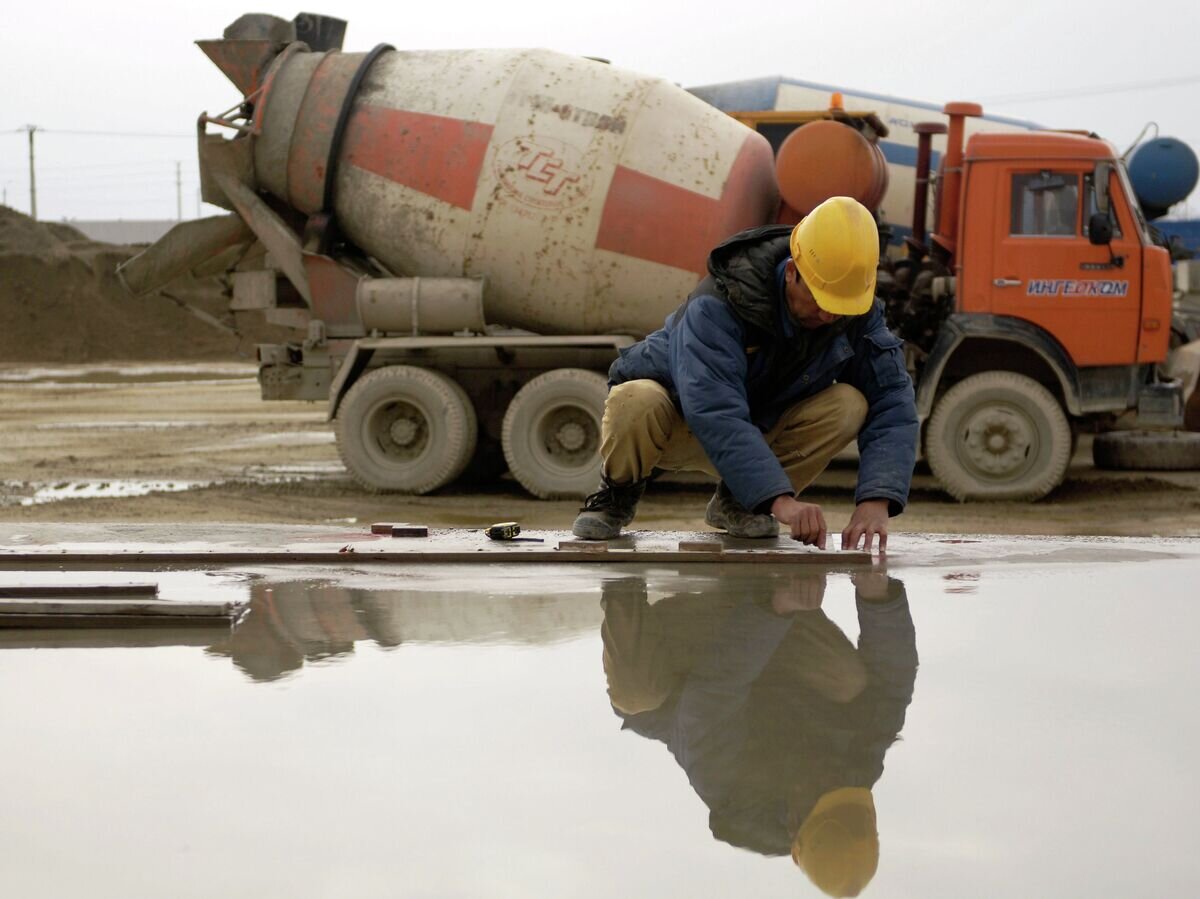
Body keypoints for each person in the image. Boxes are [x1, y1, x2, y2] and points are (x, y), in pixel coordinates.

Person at [572, 196, 918, 550]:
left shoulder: (852, 312)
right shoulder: (721, 303)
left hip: (756, 426)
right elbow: (715, 409)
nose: (830, 316)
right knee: (636, 398)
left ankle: (737, 503)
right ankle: (616, 497)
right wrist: (780, 501)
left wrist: (876, 501)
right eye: (820, 301)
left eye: (840, 307)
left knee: (849, 404)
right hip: (676, 423)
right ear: (790, 273)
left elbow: (892, 401)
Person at [600, 570, 918, 896]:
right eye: (846, 792)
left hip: (687, 669)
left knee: (636, 693)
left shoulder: (732, 792)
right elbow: (893, 683)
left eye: (823, 791)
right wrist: (877, 597)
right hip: (766, 639)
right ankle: (775, 577)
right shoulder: (856, 768)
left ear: (794, 823)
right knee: (846, 679)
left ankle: (621, 576)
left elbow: (711, 695)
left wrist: (774, 611)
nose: (836, 778)